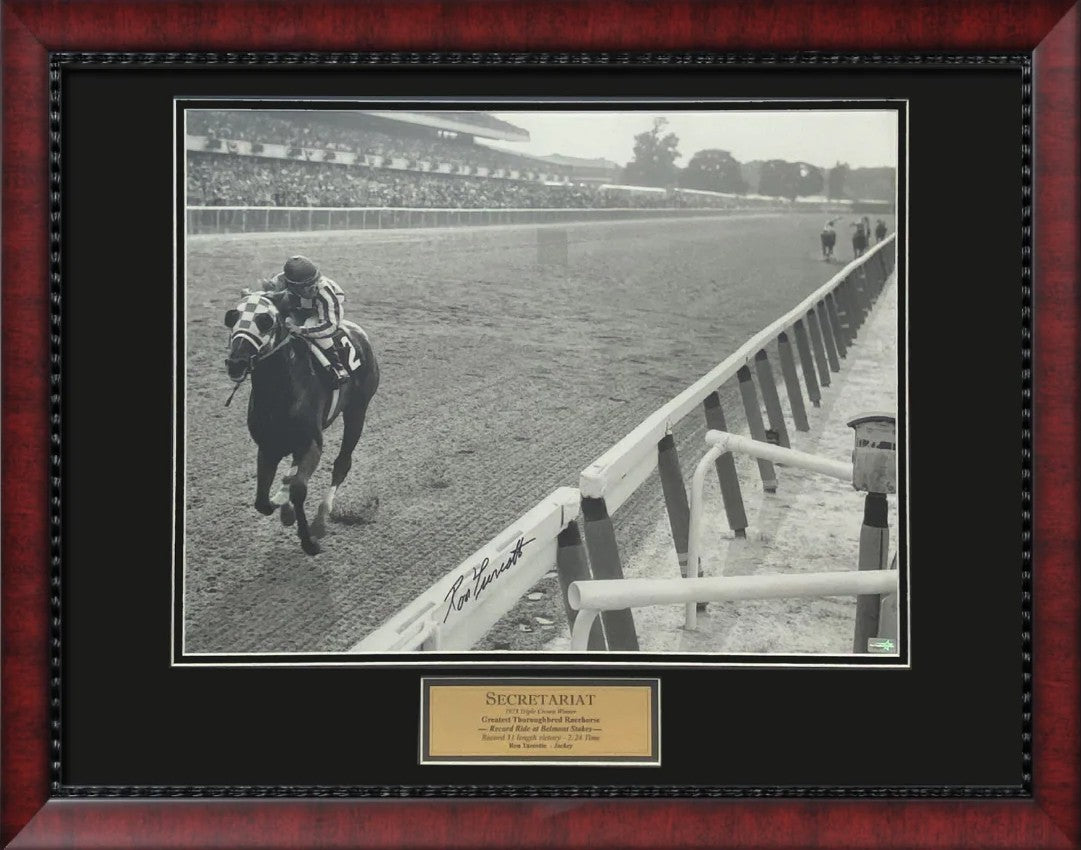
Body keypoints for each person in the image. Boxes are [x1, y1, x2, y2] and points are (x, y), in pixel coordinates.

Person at [258, 255, 355, 384]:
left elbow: (330, 326)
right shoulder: (280, 281)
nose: (312, 288)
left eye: (313, 282)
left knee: (310, 323)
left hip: (323, 308)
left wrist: (302, 330)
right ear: (291, 284)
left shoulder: (324, 291)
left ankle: (336, 366)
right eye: (305, 286)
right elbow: (265, 296)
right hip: (297, 302)